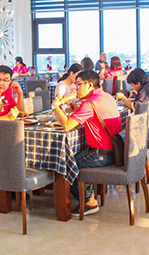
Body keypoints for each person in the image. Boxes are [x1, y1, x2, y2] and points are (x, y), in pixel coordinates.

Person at [52, 69, 121, 216]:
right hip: (114, 151)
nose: (76, 88)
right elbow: (94, 117)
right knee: (75, 156)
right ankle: (88, 194)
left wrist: (56, 107)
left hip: (100, 155)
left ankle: (89, 201)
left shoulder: (89, 103)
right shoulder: (108, 97)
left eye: (78, 85)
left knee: (66, 164)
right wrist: (78, 110)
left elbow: (67, 126)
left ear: (89, 85)